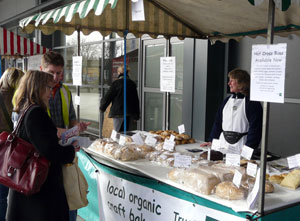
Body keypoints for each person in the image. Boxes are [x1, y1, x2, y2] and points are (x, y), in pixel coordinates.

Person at [6, 70, 77, 221]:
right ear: (38, 87)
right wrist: (71, 150)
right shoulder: (36, 113)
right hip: (39, 190)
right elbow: (49, 150)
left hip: (30, 188)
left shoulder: (26, 109)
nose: (51, 93)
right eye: (49, 88)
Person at [40, 51, 90, 220]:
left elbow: (72, 118)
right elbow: (42, 128)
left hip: (65, 152)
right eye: (51, 72)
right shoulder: (35, 94)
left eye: (59, 72)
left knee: (70, 199)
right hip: (45, 155)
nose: (55, 77)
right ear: (41, 69)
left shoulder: (65, 91)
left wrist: (78, 127)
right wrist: (68, 132)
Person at [200, 68, 263, 152]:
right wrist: (211, 141)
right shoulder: (226, 101)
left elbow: (255, 129)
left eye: (232, 80)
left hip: (241, 146)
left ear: (241, 83)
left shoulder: (252, 103)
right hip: (223, 145)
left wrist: (249, 147)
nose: (229, 83)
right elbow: (218, 123)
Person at [0, 67, 24, 221]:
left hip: (2, 149)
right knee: (7, 193)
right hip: (9, 151)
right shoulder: (16, 98)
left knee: (2, 194)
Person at [100, 65, 140, 132]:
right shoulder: (132, 84)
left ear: (118, 72)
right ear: (128, 73)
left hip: (118, 112)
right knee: (127, 134)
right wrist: (137, 115)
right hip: (130, 113)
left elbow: (108, 97)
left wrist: (102, 108)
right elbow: (136, 100)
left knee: (117, 134)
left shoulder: (116, 83)